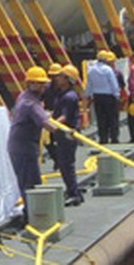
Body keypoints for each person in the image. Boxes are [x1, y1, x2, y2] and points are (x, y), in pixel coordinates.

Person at [8, 66, 66, 203]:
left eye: (42, 84)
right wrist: (64, 133)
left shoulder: (24, 96)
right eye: (38, 84)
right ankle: (33, 215)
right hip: (24, 147)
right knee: (31, 183)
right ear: (29, 84)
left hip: (20, 145)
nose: (42, 87)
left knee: (28, 181)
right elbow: (46, 123)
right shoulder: (30, 103)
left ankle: (32, 213)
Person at [50, 65, 84, 207]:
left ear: (67, 80)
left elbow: (64, 116)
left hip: (67, 134)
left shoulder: (69, 97)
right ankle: (73, 191)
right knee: (65, 164)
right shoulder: (62, 94)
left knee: (66, 165)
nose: (58, 78)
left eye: (61, 76)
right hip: (62, 134)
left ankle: (74, 194)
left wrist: (46, 124)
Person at [86, 50, 121, 144]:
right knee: (112, 118)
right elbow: (113, 84)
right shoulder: (108, 69)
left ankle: (103, 138)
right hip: (109, 97)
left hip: (97, 97)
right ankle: (114, 138)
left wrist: (88, 95)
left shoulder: (91, 70)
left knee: (101, 119)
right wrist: (117, 95)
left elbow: (89, 84)